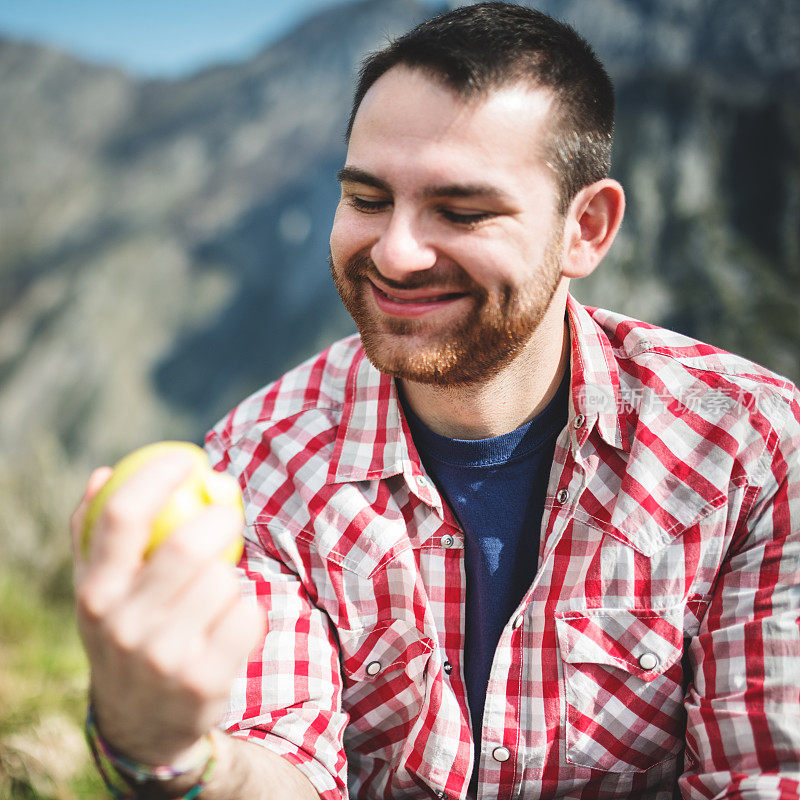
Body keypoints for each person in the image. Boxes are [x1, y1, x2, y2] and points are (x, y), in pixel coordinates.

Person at [71, 3, 800, 799]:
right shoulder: (262, 464)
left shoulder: (753, 452)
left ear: (585, 229)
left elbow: (766, 778)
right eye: (369, 199)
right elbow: (283, 764)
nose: (395, 252)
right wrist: (168, 747)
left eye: (460, 210)